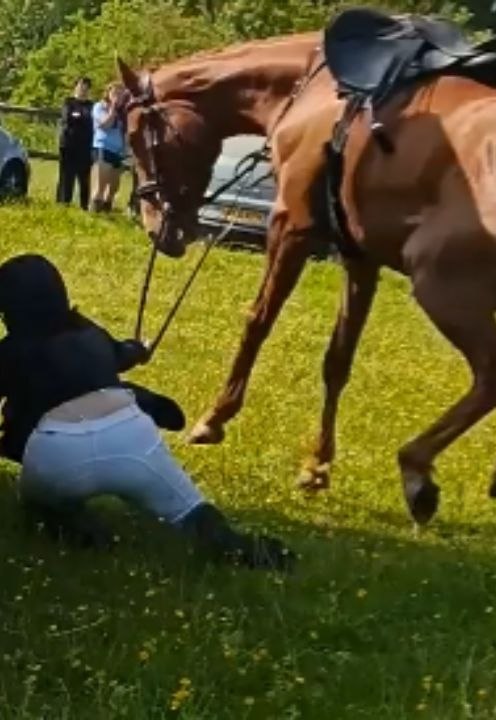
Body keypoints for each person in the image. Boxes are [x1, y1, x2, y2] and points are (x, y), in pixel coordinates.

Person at [0, 254, 293, 571]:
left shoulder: (9, 351)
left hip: (57, 450)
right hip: (131, 436)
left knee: (40, 503)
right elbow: (121, 354)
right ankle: (244, 550)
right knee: (193, 513)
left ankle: (76, 529)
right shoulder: (90, 333)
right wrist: (139, 349)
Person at [56, 77, 94, 210]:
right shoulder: (68, 102)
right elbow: (68, 119)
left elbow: (90, 122)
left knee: (85, 178)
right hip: (69, 145)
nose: (83, 89)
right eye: (80, 86)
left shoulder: (91, 105)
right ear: (75, 87)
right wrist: (78, 117)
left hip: (86, 146)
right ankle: (63, 202)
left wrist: (78, 117)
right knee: (67, 175)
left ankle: (84, 205)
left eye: (86, 87)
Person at [90, 83, 127, 213]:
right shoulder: (99, 107)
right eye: (115, 93)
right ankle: (95, 212)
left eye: (121, 94)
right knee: (101, 185)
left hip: (118, 152)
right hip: (103, 148)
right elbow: (105, 125)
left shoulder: (124, 112)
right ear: (108, 93)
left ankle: (107, 211)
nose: (118, 97)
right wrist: (113, 109)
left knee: (113, 187)